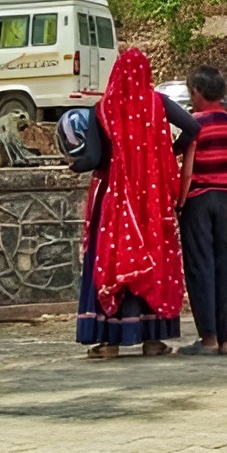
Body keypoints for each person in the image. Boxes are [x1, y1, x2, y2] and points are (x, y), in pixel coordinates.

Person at [76, 48, 200, 359]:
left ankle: (109, 342)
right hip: (152, 201)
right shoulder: (159, 104)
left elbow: (91, 157)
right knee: (152, 261)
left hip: (113, 201)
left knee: (112, 261)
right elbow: (193, 128)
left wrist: (72, 163)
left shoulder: (102, 109)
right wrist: (165, 153)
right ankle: (153, 340)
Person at [177, 66, 227, 356]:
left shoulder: (194, 124)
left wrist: (180, 202)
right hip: (224, 198)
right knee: (223, 263)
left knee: (199, 265)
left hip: (198, 199)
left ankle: (208, 338)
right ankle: (226, 339)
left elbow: (188, 170)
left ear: (196, 93)